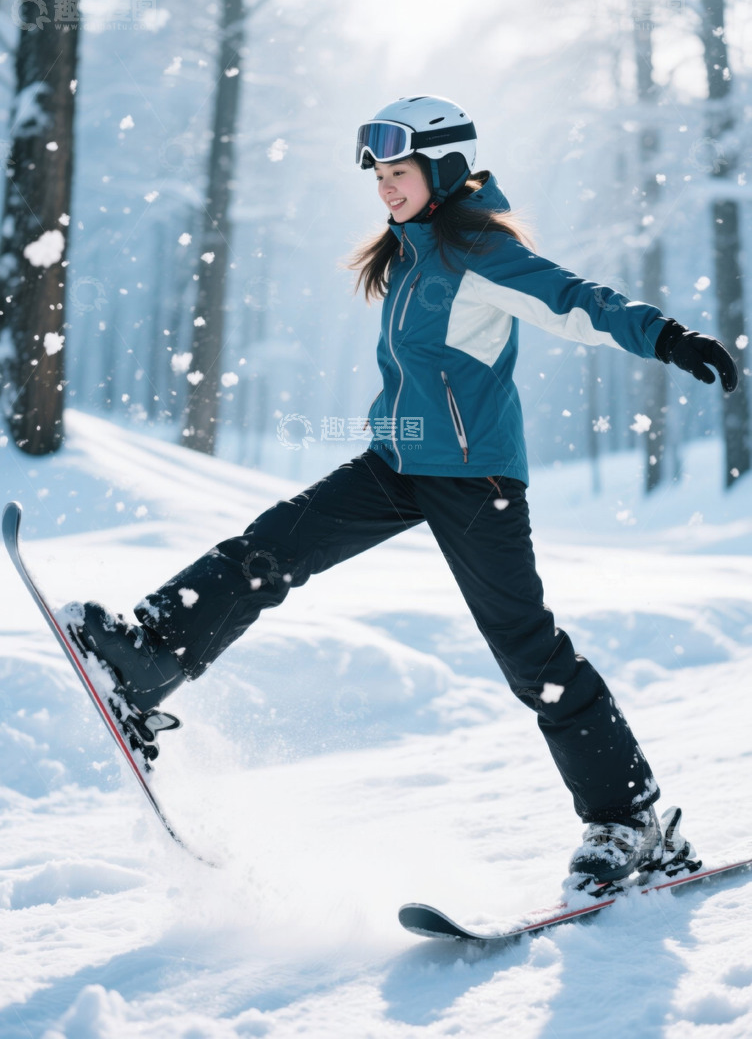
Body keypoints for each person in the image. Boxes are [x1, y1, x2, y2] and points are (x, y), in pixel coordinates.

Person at [71, 95, 738, 887]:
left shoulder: (482, 254)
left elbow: (576, 304)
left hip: (474, 475)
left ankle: (632, 825)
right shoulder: (409, 257)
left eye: (400, 172)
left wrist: (666, 336)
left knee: (530, 652)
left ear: (445, 169)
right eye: (379, 175)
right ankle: (153, 660)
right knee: (271, 547)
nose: (386, 188)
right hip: (400, 459)